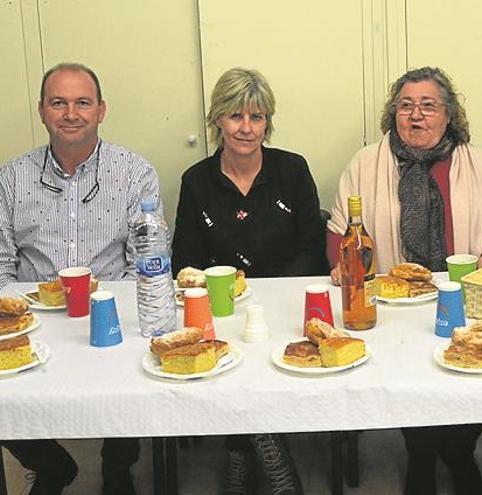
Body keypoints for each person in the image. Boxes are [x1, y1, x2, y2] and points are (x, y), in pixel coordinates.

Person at [326, 67, 482, 495]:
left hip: (464, 295)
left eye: (428, 106)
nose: (416, 115)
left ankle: (457, 451)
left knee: (471, 370)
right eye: (406, 105)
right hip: (395, 303)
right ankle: (420, 453)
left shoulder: (478, 163)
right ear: (393, 113)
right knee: (407, 374)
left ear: (448, 114)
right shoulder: (366, 163)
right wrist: (344, 266)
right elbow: (340, 230)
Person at [0, 63, 160, 494]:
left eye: (82, 102)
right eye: (59, 102)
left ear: (101, 110)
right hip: (32, 316)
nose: (71, 113)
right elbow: (0, 266)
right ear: (42, 111)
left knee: (140, 348)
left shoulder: (134, 172)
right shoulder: (11, 178)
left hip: (112, 309)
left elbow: (146, 260)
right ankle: (51, 465)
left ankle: (118, 465)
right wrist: (15, 317)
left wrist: (114, 308)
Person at [171, 67, 323, 495]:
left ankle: (242, 456)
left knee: (266, 354)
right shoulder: (197, 181)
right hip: (222, 312)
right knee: (234, 357)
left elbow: (313, 249)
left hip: (285, 307)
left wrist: (272, 299)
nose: (246, 128)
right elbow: (184, 260)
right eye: (236, 116)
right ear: (217, 119)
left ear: (267, 123)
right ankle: (265, 456)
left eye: (256, 118)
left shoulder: (292, 170)